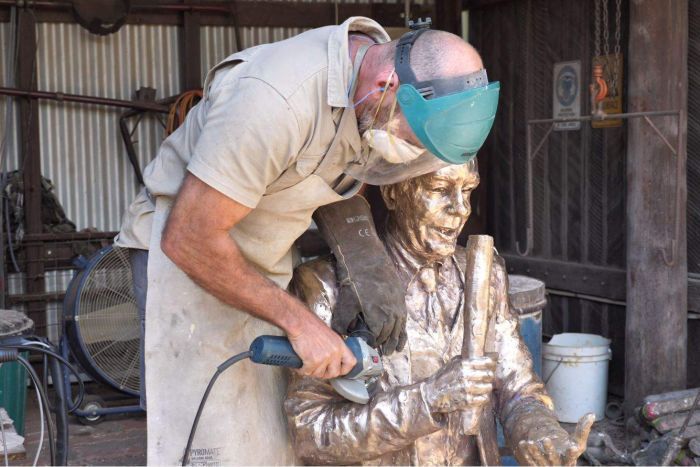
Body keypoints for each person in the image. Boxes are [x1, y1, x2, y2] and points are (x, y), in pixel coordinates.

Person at [115, 16, 500, 465]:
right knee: (208, 438)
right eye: (407, 138)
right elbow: (189, 239)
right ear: (387, 84)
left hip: (261, 253)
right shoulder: (274, 102)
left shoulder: (371, 99)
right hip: (185, 258)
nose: (404, 152)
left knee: (266, 433)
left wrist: (363, 256)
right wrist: (301, 323)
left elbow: (344, 171)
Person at [286, 161, 594, 466]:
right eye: (440, 189)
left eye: (467, 190)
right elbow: (311, 435)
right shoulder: (327, 287)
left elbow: (518, 387)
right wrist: (428, 399)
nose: (461, 209)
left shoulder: (486, 275)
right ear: (394, 193)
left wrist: (537, 429)